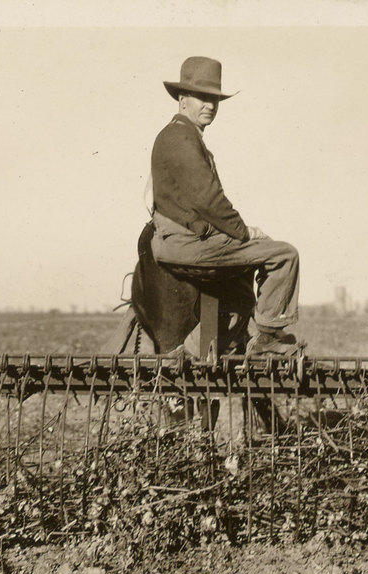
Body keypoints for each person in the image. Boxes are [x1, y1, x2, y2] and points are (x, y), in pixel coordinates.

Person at [148, 56, 302, 356]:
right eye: (202, 98)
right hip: (187, 243)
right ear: (182, 100)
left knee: (242, 289)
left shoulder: (179, 135)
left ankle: (191, 352)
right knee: (284, 254)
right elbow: (208, 198)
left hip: (180, 239)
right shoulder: (180, 138)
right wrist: (244, 232)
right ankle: (269, 336)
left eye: (215, 100)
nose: (210, 106)